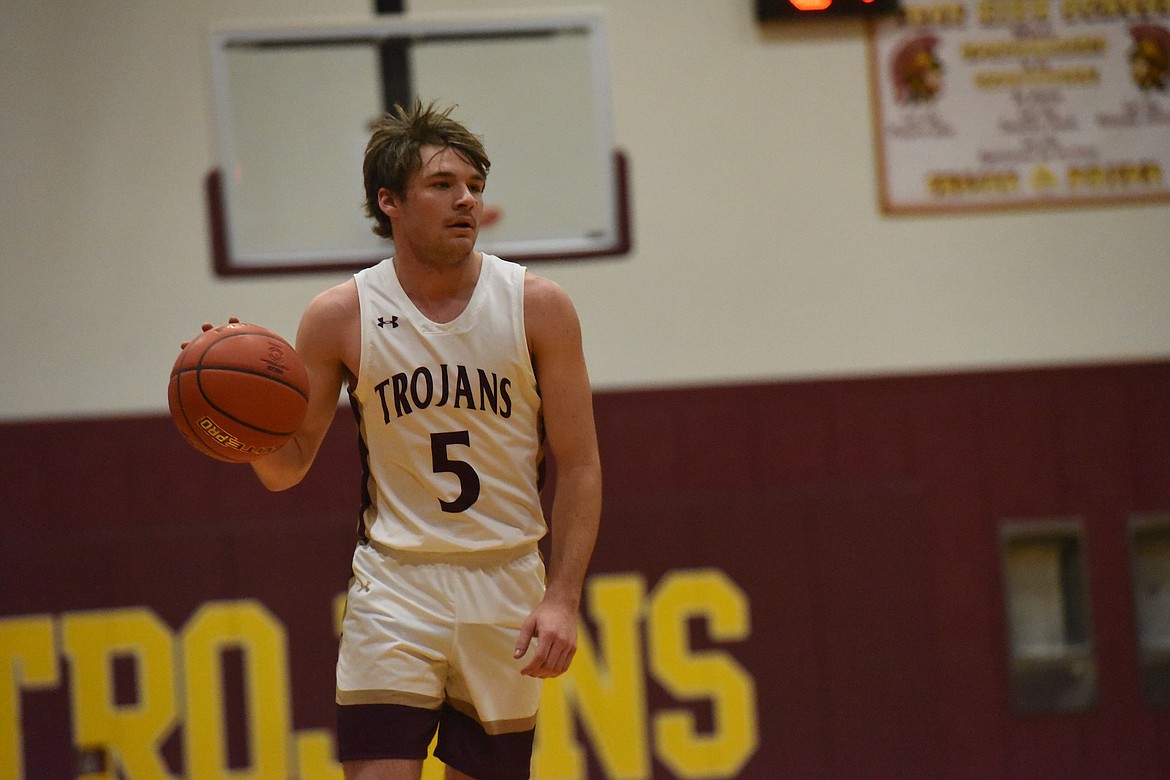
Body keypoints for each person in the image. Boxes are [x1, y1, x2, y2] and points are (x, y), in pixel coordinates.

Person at [251, 100, 601, 780]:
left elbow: (581, 464)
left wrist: (562, 596)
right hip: (396, 584)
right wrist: (241, 435)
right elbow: (285, 468)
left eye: (473, 185)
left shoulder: (538, 306)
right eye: (443, 185)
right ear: (389, 202)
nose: (466, 199)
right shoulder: (338, 317)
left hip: (506, 583)